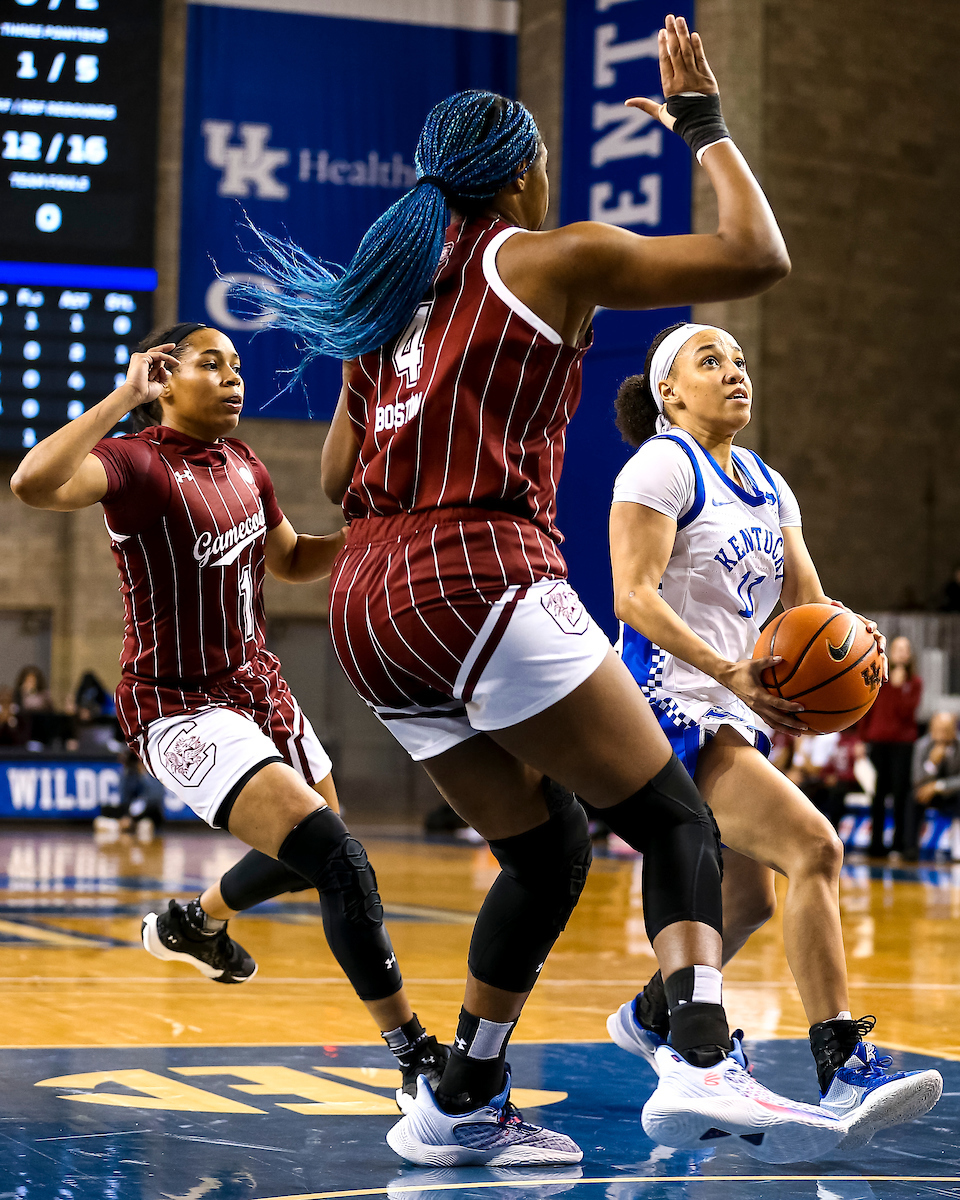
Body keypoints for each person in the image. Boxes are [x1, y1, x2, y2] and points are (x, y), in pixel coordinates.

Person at [244, 15, 858, 1167]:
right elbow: (758, 255)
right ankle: (701, 1056)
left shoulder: (386, 299)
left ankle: (462, 1095)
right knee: (674, 819)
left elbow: (335, 476)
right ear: (523, 173)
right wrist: (704, 127)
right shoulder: (548, 257)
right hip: (478, 575)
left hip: (367, 607)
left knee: (547, 850)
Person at [10, 321, 447, 1106]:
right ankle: (416, 1055)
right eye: (211, 364)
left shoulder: (245, 463)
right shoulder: (135, 461)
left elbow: (291, 559)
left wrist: (369, 533)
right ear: (163, 380)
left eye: (237, 364)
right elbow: (33, 484)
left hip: (258, 688)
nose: (234, 376)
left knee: (318, 854)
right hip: (178, 703)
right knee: (340, 862)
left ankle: (194, 923)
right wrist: (120, 397)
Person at [604, 320, 941, 1139]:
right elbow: (632, 595)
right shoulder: (661, 464)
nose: (735, 371)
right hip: (666, 701)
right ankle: (843, 1066)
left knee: (748, 898)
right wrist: (729, 671)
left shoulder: (766, 482)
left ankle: (652, 1014)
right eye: (710, 361)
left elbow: (805, 602)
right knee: (815, 846)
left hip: (733, 702)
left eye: (741, 359)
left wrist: (849, 640)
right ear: (668, 392)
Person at [859, 635, 922, 859]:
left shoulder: (914, 683)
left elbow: (906, 713)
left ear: (910, 655)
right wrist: (861, 739)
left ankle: (899, 843)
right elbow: (866, 708)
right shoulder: (878, 677)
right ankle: (876, 844)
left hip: (902, 745)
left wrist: (898, 687)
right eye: (898, 648)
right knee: (878, 794)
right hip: (878, 742)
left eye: (906, 649)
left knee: (900, 793)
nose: (902, 653)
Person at [913, 711, 960, 811]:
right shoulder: (922, 746)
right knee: (913, 795)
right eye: (938, 730)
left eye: (946, 730)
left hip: (952, 793)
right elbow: (917, 780)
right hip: (927, 793)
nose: (942, 735)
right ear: (931, 730)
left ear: (954, 730)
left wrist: (936, 786)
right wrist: (932, 763)